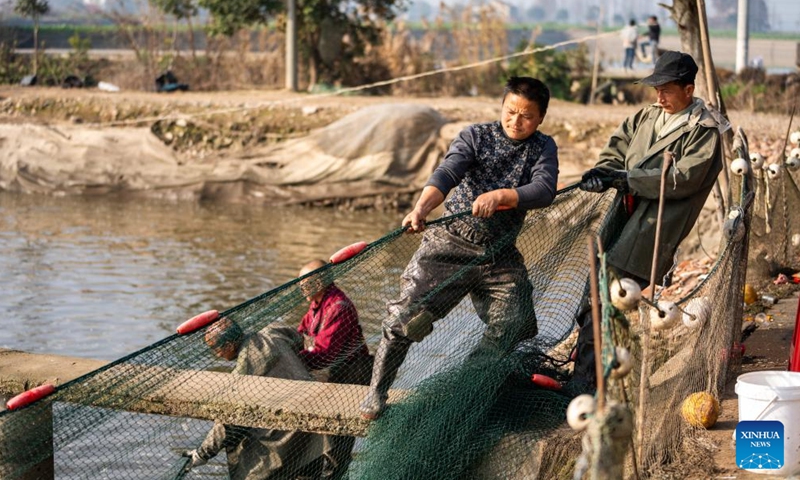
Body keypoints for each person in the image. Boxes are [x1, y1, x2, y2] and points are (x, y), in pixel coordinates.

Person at [358, 76, 559, 420]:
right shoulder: (475, 136)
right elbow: (447, 173)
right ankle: (376, 392)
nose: (516, 121)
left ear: (540, 118)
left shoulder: (543, 147)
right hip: (449, 242)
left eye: (526, 116)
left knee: (517, 322)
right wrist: (421, 208)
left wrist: (502, 197)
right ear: (502, 107)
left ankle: (462, 387)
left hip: (499, 252)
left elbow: (544, 189)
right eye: (510, 112)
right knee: (405, 319)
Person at [574, 51, 726, 387]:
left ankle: (586, 383)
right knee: (593, 290)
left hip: (653, 228)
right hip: (622, 214)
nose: (659, 96)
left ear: (689, 90)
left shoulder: (703, 130)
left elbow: (683, 178)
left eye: (667, 90)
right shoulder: (647, 116)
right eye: (656, 89)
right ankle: (594, 372)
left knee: (607, 296)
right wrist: (605, 171)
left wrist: (628, 179)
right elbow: (617, 147)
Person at [181, 318, 324, 479]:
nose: (217, 355)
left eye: (216, 349)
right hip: (318, 431)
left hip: (291, 439)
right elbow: (300, 339)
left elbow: (227, 422)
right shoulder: (273, 330)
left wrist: (203, 453)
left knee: (246, 456)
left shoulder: (243, 372)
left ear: (229, 345)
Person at [297, 259, 373, 479]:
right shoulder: (316, 304)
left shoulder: (338, 307)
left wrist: (293, 357)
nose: (300, 289)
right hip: (328, 382)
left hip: (348, 382)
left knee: (335, 444)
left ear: (320, 281)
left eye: (304, 283)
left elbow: (324, 354)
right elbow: (299, 332)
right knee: (313, 439)